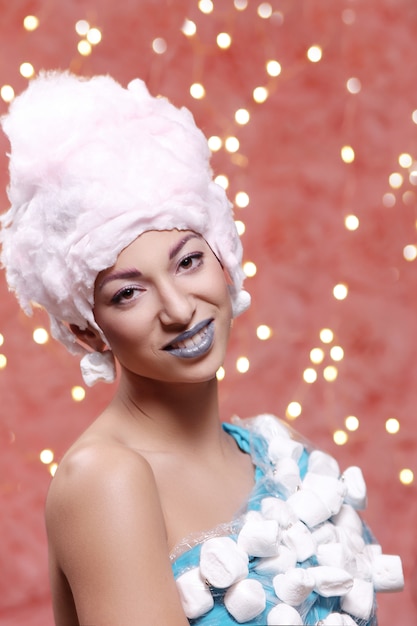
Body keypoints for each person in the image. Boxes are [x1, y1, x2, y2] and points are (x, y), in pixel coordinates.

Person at [0, 72, 403, 626]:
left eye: (188, 261)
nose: (179, 308)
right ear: (89, 331)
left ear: (223, 256)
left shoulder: (279, 447)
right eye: (128, 292)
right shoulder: (105, 480)